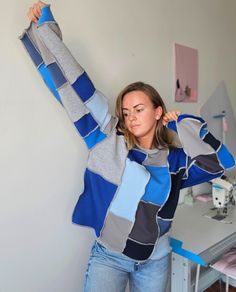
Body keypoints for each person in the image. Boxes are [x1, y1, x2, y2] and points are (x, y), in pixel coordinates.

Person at [21, 2, 235, 291]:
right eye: (126, 111)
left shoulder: (175, 160)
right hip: (108, 256)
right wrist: (46, 26)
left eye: (139, 109)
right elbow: (76, 86)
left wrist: (184, 125)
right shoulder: (109, 139)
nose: (131, 117)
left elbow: (221, 162)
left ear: (158, 111)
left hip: (156, 258)